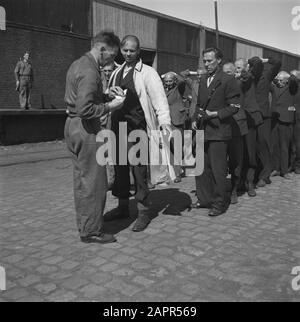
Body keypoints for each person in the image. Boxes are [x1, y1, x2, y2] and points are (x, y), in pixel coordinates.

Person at [107, 35, 174, 232]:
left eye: (132, 51)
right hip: (117, 127)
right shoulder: (116, 72)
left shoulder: (148, 73)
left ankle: (143, 212)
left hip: (137, 128)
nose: (128, 54)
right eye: (125, 50)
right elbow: (108, 93)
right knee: (119, 169)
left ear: (138, 52)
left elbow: (159, 100)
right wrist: (109, 93)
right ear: (121, 49)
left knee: (138, 170)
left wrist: (164, 123)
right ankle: (122, 207)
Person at [64, 30, 126, 244]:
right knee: (95, 181)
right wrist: (111, 105)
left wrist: (105, 93)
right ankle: (92, 231)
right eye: (111, 55)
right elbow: (86, 108)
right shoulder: (90, 71)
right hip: (85, 128)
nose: (112, 60)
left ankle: (87, 224)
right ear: (101, 50)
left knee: (82, 180)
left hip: (72, 126)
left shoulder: (78, 64)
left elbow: (81, 98)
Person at [191, 47, 240, 217]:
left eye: (209, 60)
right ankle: (205, 199)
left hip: (219, 131)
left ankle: (220, 203)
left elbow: (235, 106)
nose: (206, 64)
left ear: (219, 60)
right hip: (203, 129)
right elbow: (199, 105)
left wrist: (216, 114)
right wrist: (195, 120)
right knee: (201, 168)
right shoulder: (203, 79)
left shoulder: (228, 80)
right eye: (204, 61)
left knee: (218, 170)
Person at [234, 57, 264, 197]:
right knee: (239, 154)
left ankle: (250, 182)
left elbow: (257, 64)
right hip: (237, 120)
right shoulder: (232, 80)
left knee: (251, 154)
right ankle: (237, 183)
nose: (237, 71)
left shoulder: (250, 77)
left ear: (246, 68)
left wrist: (244, 70)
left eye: (239, 68)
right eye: (236, 68)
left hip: (250, 120)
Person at [223, 62, 248, 204]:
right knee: (221, 160)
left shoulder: (240, 84)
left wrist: (241, 71)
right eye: (224, 72)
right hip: (223, 126)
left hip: (237, 127)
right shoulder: (219, 85)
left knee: (236, 160)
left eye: (228, 72)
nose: (225, 75)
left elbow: (248, 76)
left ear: (234, 73)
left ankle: (234, 189)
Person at [255, 56, 282, 187]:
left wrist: (264, 60)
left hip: (264, 117)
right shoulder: (248, 77)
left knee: (263, 145)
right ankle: (257, 174)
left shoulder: (266, 76)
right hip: (250, 116)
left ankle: (264, 175)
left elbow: (277, 62)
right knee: (253, 147)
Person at [270, 71, 298, 179]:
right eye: (278, 80)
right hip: (275, 119)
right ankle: (276, 168)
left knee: (284, 147)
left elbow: (295, 80)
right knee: (275, 146)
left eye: (282, 80)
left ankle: (284, 170)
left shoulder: (292, 87)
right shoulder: (275, 86)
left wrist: (286, 75)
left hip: (285, 120)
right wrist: (277, 77)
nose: (280, 82)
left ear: (287, 81)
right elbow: (271, 79)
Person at [162, 71, 187, 183]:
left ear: (174, 81)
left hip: (176, 121)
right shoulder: (162, 89)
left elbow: (182, 80)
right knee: (167, 147)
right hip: (165, 121)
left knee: (176, 146)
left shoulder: (178, 88)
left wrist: (176, 74)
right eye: (166, 81)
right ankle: (169, 171)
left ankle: (178, 173)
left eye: (170, 80)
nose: (168, 83)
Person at [290, 70, 300, 174]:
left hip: (298, 119)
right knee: (291, 143)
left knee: (298, 144)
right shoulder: (291, 89)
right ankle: (291, 164)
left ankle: (297, 165)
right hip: (290, 118)